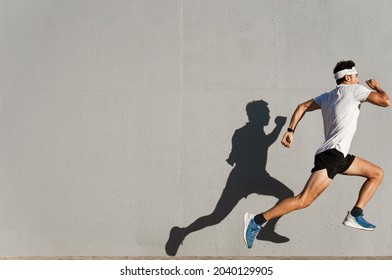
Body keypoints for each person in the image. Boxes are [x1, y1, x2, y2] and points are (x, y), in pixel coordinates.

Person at [244, 60, 391, 249]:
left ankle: (356, 213)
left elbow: (302, 106)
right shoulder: (355, 90)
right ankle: (256, 220)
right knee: (303, 200)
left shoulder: (327, 96)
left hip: (338, 155)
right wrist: (378, 87)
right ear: (348, 78)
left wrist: (290, 130)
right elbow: (386, 101)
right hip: (332, 156)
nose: (359, 79)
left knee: (377, 173)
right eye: (356, 76)